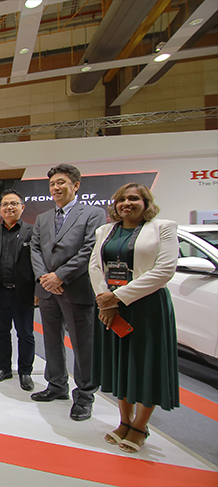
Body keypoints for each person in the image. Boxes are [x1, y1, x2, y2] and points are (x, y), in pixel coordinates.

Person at [89, 183, 179, 453]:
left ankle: (140, 426)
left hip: (146, 306)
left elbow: (164, 270)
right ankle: (124, 421)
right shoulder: (105, 231)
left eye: (133, 198)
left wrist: (118, 297)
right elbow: (95, 266)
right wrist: (106, 300)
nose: (126, 203)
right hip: (111, 307)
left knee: (145, 365)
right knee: (120, 363)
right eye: (121, 199)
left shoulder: (163, 228)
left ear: (146, 202)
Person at [30, 164, 106, 421]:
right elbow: (35, 250)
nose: (56, 188)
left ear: (76, 185)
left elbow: (90, 249)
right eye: (52, 184)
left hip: (76, 288)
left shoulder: (93, 213)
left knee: (83, 346)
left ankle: (84, 396)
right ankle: (57, 385)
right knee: (51, 341)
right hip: (48, 290)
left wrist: (59, 276)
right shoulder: (43, 218)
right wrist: (44, 278)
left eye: (61, 182)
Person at [0, 189, 36, 390]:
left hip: (24, 292)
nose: (9, 207)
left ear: (22, 207)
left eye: (14, 204)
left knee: (25, 334)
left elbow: (39, 262)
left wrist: (38, 290)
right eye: (5, 204)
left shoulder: (32, 231)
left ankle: (25, 372)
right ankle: (4, 368)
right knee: (1, 332)